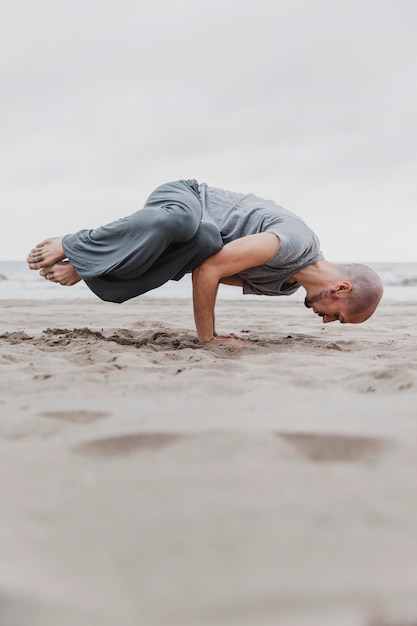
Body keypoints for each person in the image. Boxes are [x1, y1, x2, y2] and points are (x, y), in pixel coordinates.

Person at [27, 179, 383, 346]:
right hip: (185, 200)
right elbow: (209, 271)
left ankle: (87, 268)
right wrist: (209, 338)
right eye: (336, 315)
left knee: (204, 242)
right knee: (188, 226)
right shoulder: (295, 243)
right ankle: (73, 243)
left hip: (194, 240)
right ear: (341, 288)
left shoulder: (282, 287)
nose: (325, 321)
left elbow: (197, 268)